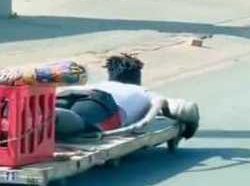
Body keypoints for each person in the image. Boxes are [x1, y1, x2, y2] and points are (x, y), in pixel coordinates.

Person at [55, 54, 199, 140]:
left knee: (50, 114)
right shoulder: (142, 91)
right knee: (81, 122)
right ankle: (53, 117)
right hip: (101, 103)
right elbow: (185, 109)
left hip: (71, 94)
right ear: (138, 78)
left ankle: (47, 115)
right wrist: (190, 127)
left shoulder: (100, 84)